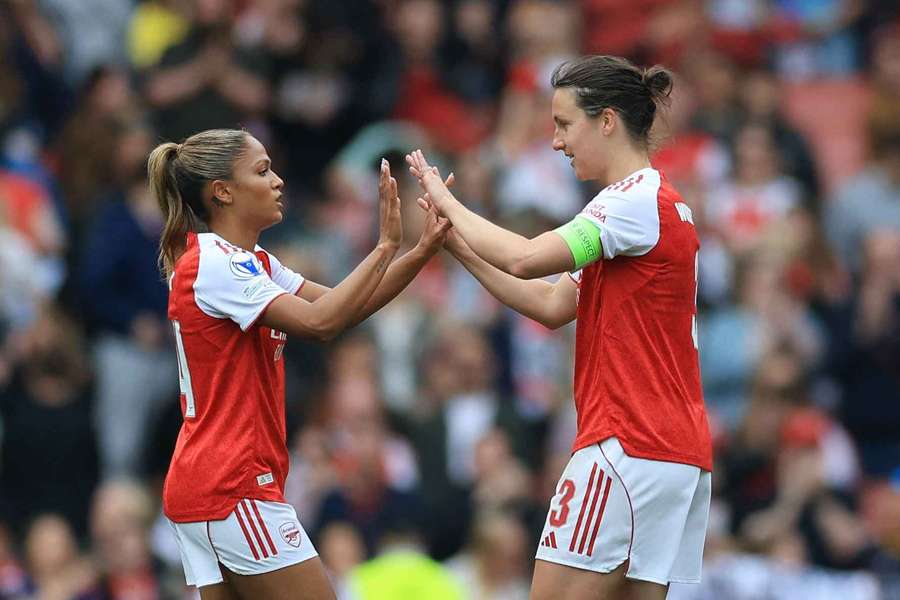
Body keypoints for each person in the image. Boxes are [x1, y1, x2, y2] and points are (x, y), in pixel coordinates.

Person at [406, 55, 713, 600]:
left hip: (626, 442)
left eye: (565, 124)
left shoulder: (629, 203)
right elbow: (551, 304)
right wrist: (459, 247)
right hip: (674, 453)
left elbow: (526, 258)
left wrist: (446, 199)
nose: (556, 141)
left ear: (607, 121)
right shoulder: (655, 207)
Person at [147, 128, 449, 600]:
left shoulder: (250, 262)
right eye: (262, 171)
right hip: (234, 485)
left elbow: (343, 306)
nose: (278, 181)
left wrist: (419, 250)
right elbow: (321, 322)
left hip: (207, 484)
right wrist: (385, 247)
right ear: (222, 192)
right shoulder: (218, 264)